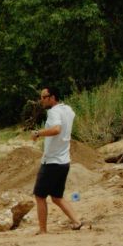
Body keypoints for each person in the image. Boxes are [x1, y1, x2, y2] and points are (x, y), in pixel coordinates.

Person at [27, 84, 86, 233]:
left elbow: (56, 129)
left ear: (52, 97)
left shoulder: (53, 112)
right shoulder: (68, 110)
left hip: (52, 161)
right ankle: (77, 221)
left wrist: (38, 133)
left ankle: (42, 230)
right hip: (64, 161)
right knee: (56, 197)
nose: (42, 100)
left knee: (40, 196)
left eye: (44, 97)